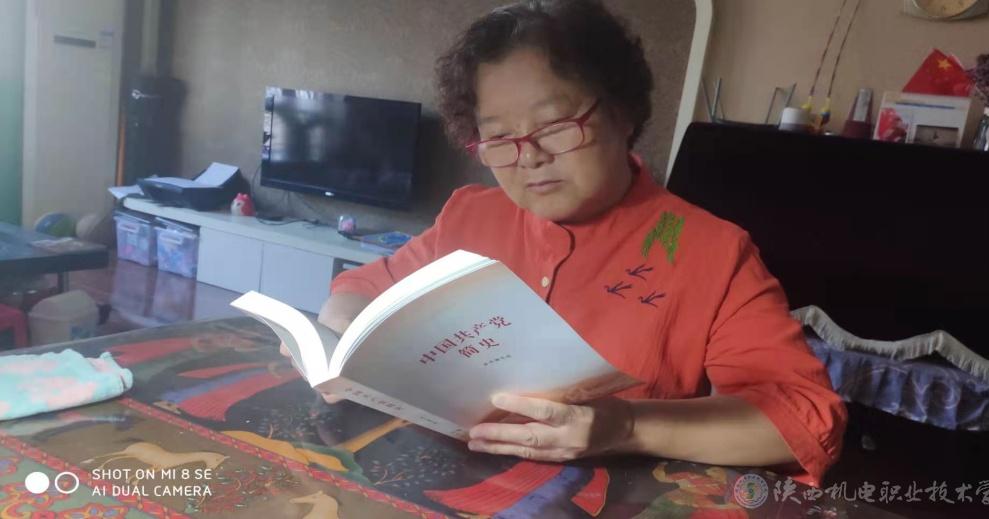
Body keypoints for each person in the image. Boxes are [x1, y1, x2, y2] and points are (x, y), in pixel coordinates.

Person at [304, 0, 846, 487]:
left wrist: (628, 425)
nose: (530, 157)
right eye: (500, 138)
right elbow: (362, 287)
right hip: (438, 481)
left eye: (555, 125)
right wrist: (341, 343)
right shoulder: (470, 214)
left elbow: (802, 420)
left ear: (622, 112)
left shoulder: (713, 251)